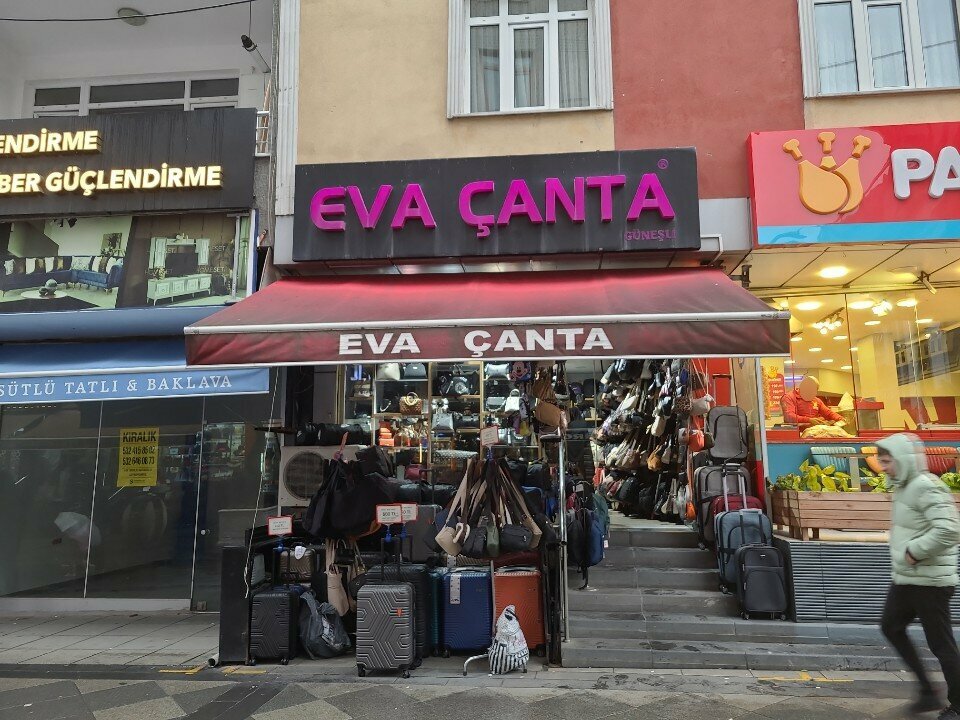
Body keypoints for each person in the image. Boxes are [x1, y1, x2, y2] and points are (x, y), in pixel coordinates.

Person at [878, 433, 960, 718]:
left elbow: (949, 529)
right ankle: (927, 693)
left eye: (887, 461)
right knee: (891, 626)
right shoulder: (904, 487)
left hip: (930, 580)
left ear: (902, 459)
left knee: (941, 644)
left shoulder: (926, 485)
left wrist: (915, 551)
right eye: (881, 461)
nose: (883, 467)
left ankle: (958, 705)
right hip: (908, 576)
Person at [780, 375, 845, 429]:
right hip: (796, 434)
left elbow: (828, 413)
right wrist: (809, 420)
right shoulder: (788, 397)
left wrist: (840, 418)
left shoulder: (816, 400)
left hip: (813, 433)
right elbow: (789, 417)